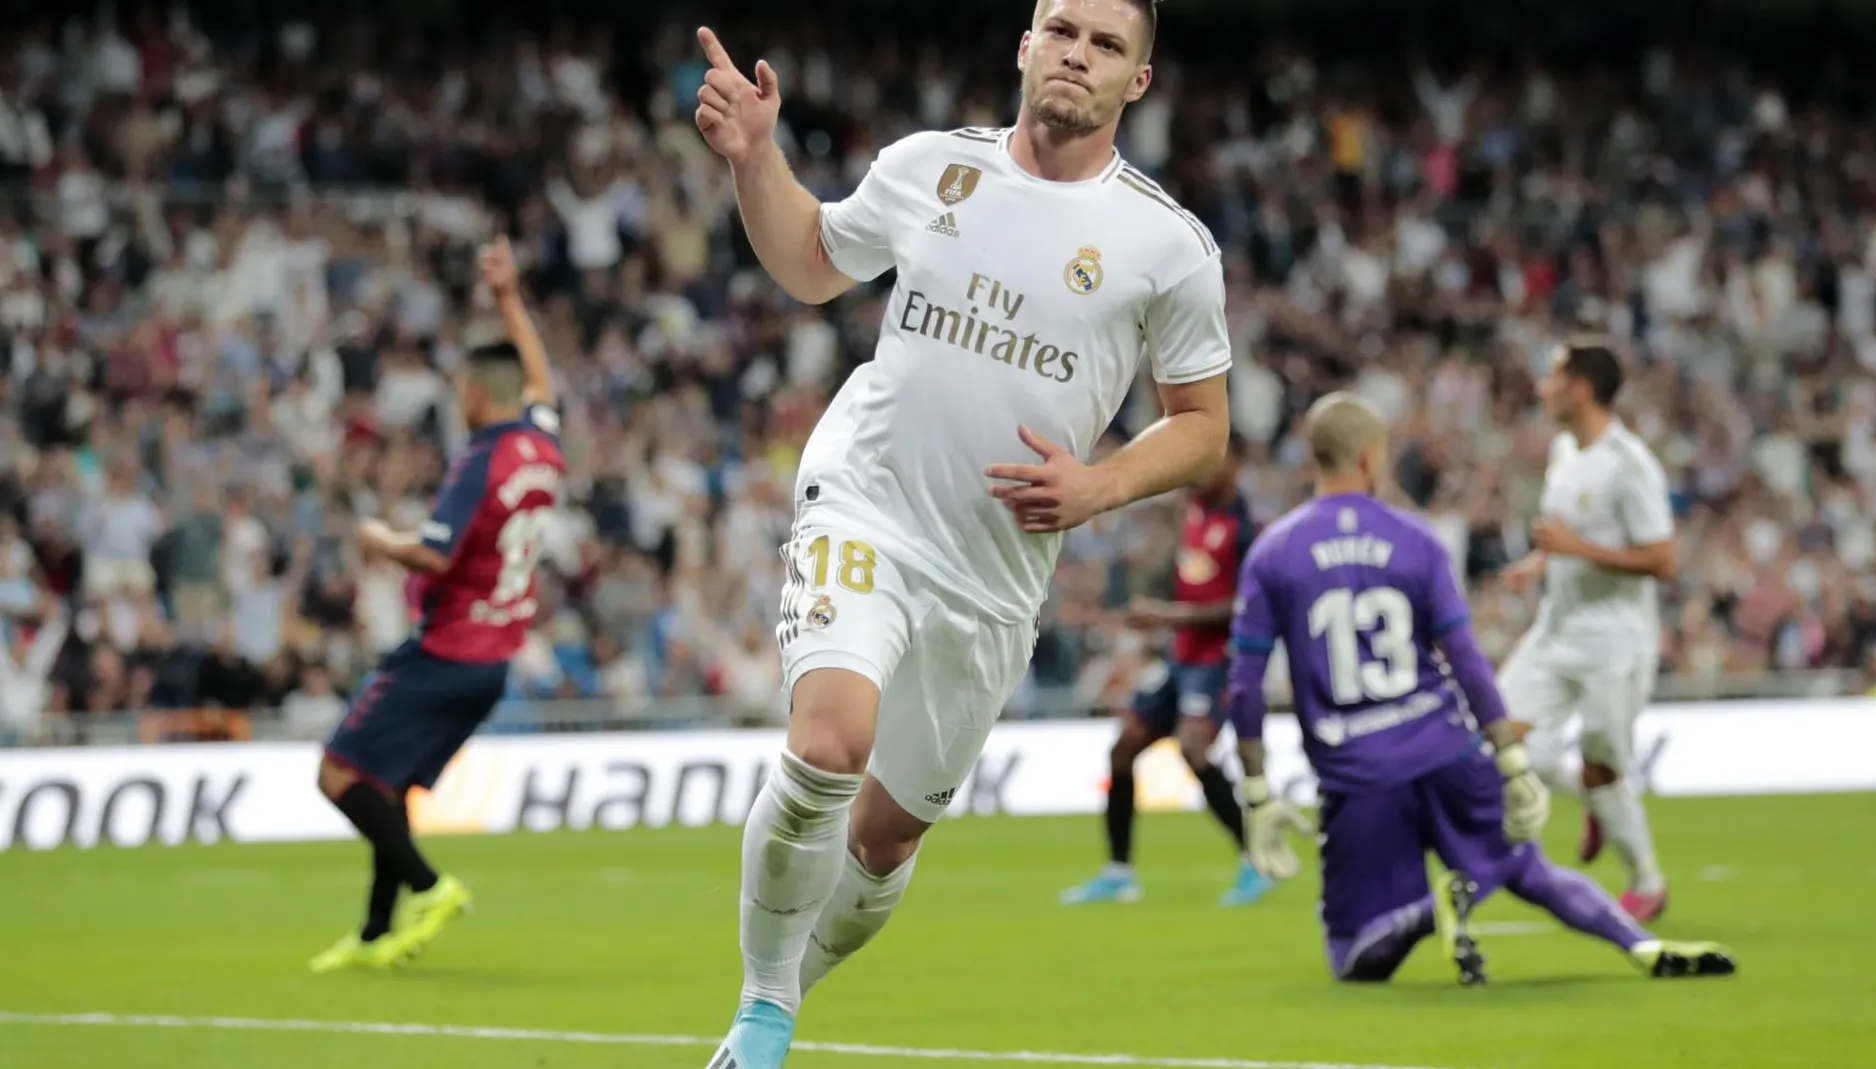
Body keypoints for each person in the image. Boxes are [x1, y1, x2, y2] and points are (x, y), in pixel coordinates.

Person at [692, 1, 1232, 1064]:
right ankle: (761, 1015)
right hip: (868, 502)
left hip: (991, 581)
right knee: (826, 746)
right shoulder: (930, 167)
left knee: (885, 838)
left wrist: (1096, 486)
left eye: (1106, 43)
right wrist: (756, 160)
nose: (1078, 52)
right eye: (1062, 29)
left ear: (1139, 81)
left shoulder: (1168, 248)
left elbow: (1202, 425)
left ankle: (784, 989)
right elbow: (808, 264)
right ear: (1025, 45)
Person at [1224, 393, 1734, 985]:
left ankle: (1423, 915)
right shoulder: (1416, 540)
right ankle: (1640, 946)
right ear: (1370, 458)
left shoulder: (1273, 554)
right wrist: (1511, 759)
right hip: (1446, 749)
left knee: (1352, 956)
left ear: (1316, 457)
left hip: (1359, 773)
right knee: (1530, 871)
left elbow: (1246, 682)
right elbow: (1464, 658)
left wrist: (1257, 790)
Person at [308, 240, 566, 972]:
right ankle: (373, 934)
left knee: (338, 773)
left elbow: (435, 554)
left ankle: (430, 885)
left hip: (447, 649)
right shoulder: (542, 444)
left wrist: (378, 537)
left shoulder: (481, 455)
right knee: (387, 785)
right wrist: (509, 298)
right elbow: (541, 376)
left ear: (477, 393)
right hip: (494, 660)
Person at [1497, 339, 1675, 922]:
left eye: (1553, 379)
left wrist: (1579, 550)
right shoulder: (1562, 451)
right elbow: (1563, 534)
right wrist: (1541, 563)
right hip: (1556, 629)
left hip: (1614, 640)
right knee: (1503, 737)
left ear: (1581, 388)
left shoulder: (1630, 463)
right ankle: (1593, 799)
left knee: (1604, 764)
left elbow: (1662, 560)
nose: (1543, 389)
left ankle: (1646, 879)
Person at [1061, 434, 1272, 907]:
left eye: (1210, 464)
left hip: (1218, 660)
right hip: (1181, 657)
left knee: (1194, 749)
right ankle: (1119, 874)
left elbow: (1248, 607)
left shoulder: (1245, 530)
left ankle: (1257, 858)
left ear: (1235, 465)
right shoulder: (1193, 510)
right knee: (1123, 749)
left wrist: (1169, 616)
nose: (1198, 474)